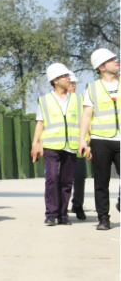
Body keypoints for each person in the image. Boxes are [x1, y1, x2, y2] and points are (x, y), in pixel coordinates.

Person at [31, 63, 79, 226]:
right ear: (56, 80)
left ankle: (63, 214)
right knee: (51, 178)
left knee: (66, 181)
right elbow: (40, 122)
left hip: (71, 145)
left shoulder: (77, 99)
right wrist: (35, 143)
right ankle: (51, 213)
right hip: (51, 144)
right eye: (65, 76)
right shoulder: (44, 100)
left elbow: (83, 121)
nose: (69, 79)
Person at [78, 48, 120, 231]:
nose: (116, 61)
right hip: (100, 140)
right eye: (111, 60)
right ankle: (103, 218)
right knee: (101, 181)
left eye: (115, 58)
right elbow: (86, 115)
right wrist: (82, 140)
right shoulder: (92, 88)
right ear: (101, 67)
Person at [69, 72, 87, 220]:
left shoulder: (82, 100)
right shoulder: (54, 100)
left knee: (80, 176)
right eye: (71, 82)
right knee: (60, 178)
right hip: (60, 145)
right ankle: (60, 205)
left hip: (78, 146)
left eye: (75, 83)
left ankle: (78, 205)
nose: (73, 85)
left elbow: (88, 121)